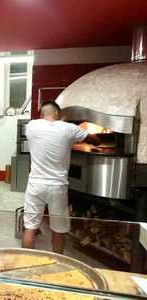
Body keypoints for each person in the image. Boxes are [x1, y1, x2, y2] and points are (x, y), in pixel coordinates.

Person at [22, 101, 100, 253]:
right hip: (57, 187)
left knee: (30, 228)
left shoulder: (31, 126)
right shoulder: (69, 129)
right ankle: (57, 264)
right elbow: (96, 140)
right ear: (57, 113)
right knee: (59, 230)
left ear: (42, 114)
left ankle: (26, 260)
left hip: (35, 185)